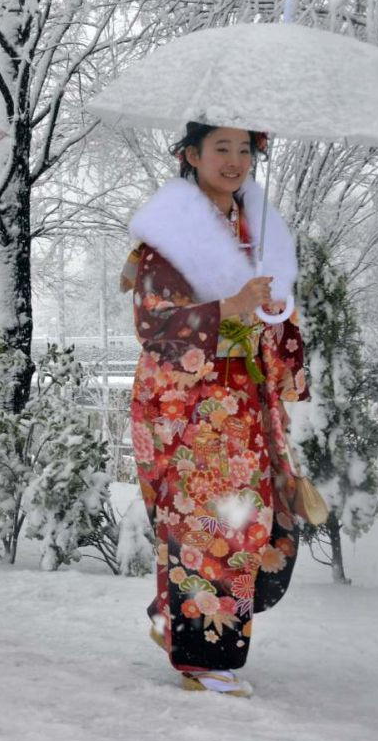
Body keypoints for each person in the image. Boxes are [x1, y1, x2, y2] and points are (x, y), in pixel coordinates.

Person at [125, 123, 310, 698]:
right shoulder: (169, 237)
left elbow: (273, 329)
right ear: (190, 154)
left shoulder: (259, 234)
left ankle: (174, 618)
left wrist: (276, 320)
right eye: (220, 148)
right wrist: (230, 308)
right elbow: (154, 325)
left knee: (256, 526)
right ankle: (202, 657)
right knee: (214, 527)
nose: (234, 160)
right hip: (194, 411)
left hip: (246, 407)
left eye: (244, 149)